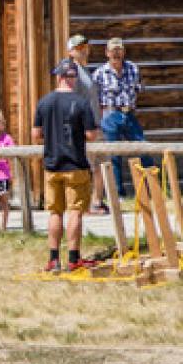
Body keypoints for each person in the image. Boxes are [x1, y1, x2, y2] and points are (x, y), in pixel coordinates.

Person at [34, 60, 100, 272]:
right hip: (76, 164)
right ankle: (73, 258)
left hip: (52, 165)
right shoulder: (81, 103)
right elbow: (91, 135)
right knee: (75, 212)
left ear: (58, 77)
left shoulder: (44, 102)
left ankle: (53, 259)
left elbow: (36, 136)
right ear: (72, 79)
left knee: (55, 212)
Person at [93, 37, 148, 198]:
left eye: (119, 50)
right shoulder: (99, 73)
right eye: (113, 50)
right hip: (110, 114)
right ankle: (118, 194)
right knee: (114, 154)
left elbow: (139, 88)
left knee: (142, 148)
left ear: (123, 52)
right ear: (107, 53)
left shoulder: (133, 68)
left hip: (129, 113)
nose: (116, 53)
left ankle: (148, 189)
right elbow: (94, 98)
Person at [66, 35, 107, 214]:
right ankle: (85, 203)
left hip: (95, 125)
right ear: (70, 51)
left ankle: (97, 201)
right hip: (84, 127)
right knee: (87, 166)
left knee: (100, 164)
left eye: (84, 46)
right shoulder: (72, 71)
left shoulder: (84, 70)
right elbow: (71, 101)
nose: (82, 50)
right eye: (78, 47)